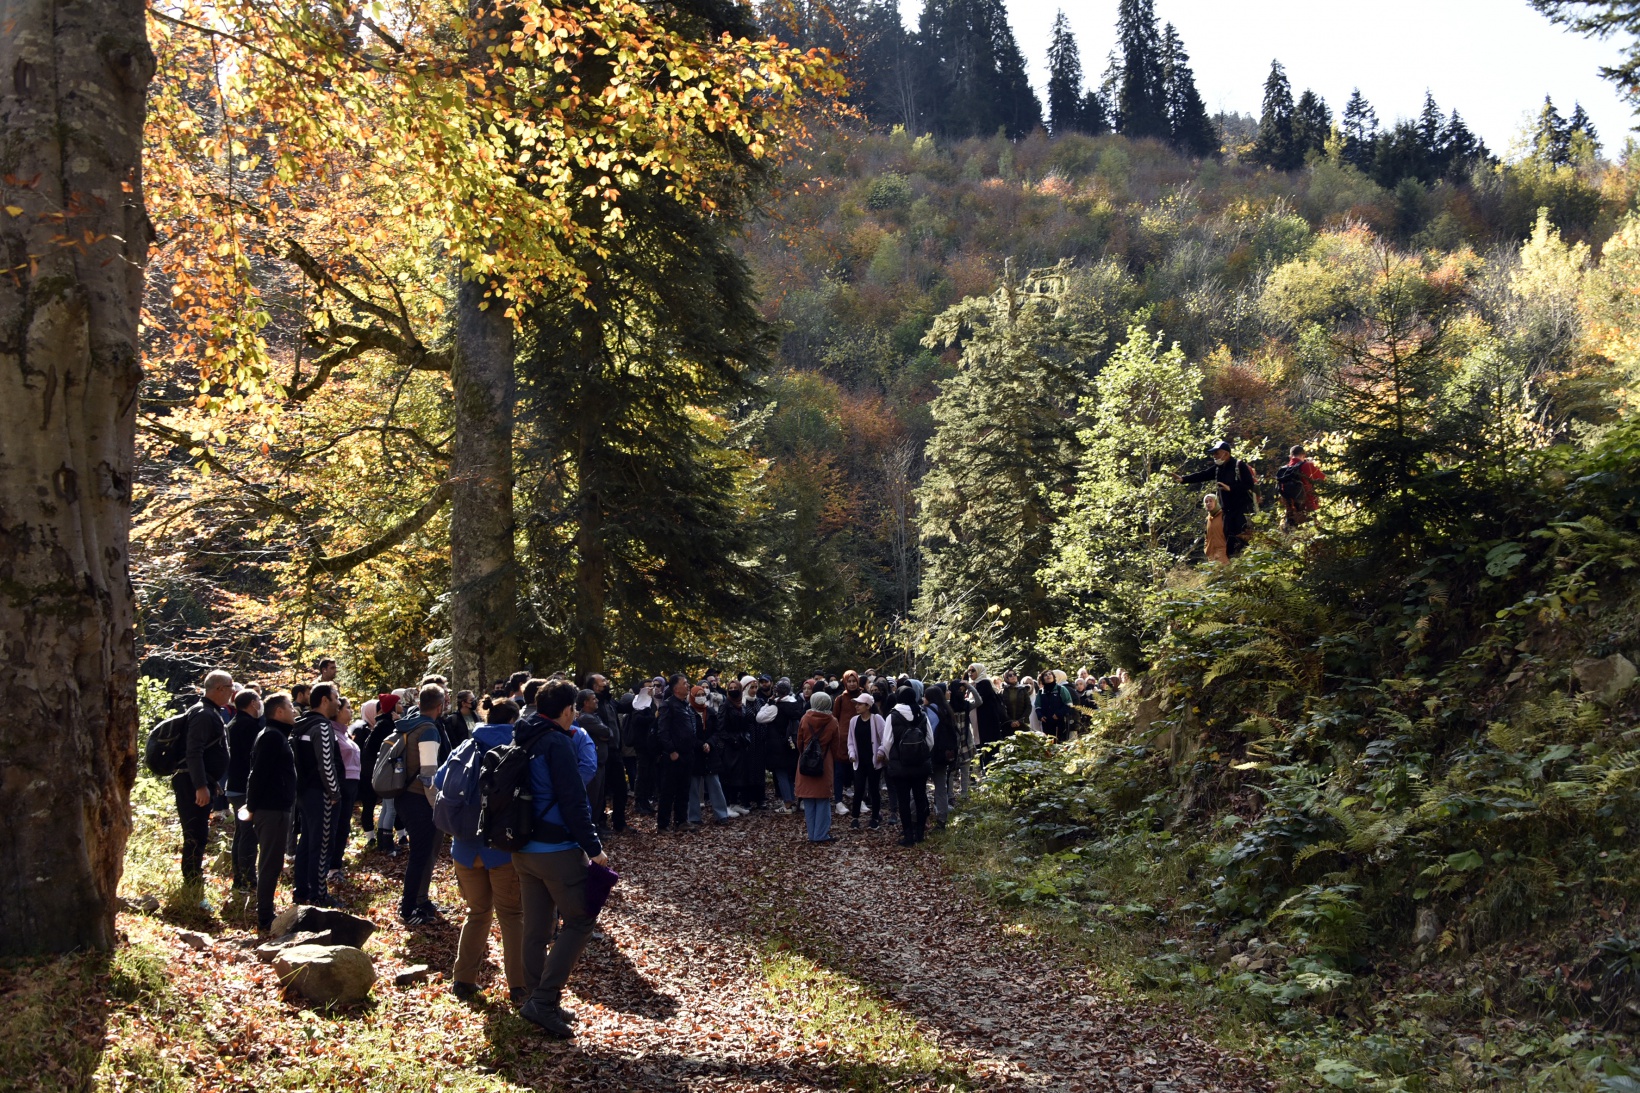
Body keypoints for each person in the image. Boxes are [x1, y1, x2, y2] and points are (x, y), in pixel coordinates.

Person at [512, 682, 610, 1039]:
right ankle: (544, 998)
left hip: (523, 848)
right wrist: (594, 847)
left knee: (536, 928)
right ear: (568, 710)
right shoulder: (558, 742)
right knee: (581, 920)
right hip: (556, 849)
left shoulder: (522, 734)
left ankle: (538, 999)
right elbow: (574, 801)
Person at [436, 699, 527, 1005]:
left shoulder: (464, 747)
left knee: (477, 913)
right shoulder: (517, 750)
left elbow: (439, 781)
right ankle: (519, 986)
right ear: (513, 720)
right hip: (502, 849)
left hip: (464, 848)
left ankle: (463, 980)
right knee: (512, 915)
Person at [174, 669, 235, 889]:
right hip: (191, 783)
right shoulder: (202, 713)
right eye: (230, 687)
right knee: (195, 834)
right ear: (219, 688)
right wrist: (200, 785)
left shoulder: (211, 711)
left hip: (201, 782)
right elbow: (194, 751)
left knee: (199, 833)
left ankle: (194, 880)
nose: (233, 691)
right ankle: (192, 885)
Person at [244, 692, 298, 933]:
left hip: (277, 808)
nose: (294, 710)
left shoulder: (277, 736)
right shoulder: (271, 737)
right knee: (270, 864)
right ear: (278, 712)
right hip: (271, 810)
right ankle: (265, 917)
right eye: (290, 707)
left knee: (272, 863)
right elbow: (257, 775)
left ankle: (266, 913)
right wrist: (252, 808)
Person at [397, 684, 450, 925]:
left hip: (404, 795)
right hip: (420, 800)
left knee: (419, 854)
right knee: (419, 856)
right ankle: (409, 910)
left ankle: (417, 901)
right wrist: (436, 804)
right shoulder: (428, 730)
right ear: (439, 706)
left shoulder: (409, 724)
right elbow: (429, 773)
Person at [291, 682, 343, 906]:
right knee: (322, 844)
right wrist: (334, 792)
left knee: (307, 842)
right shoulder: (321, 726)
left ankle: (301, 890)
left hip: (303, 791)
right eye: (336, 698)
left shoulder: (300, 723)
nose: (338, 703)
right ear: (324, 700)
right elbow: (326, 764)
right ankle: (319, 894)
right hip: (319, 792)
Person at [1171, 440, 1257, 557]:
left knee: (1243, 540)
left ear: (1226, 454)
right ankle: (1233, 568)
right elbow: (1203, 474)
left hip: (1242, 510)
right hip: (1226, 512)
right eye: (1213, 453)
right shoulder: (1218, 468)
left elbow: (1249, 484)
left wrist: (1231, 488)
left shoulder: (1239, 465)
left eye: (1217, 453)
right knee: (1230, 543)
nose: (1214, 456)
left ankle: (1247, 565)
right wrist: (1184, 479)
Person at [883, 686, 934, 846]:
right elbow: (930, 741)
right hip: (920, 765)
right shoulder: (922, 714)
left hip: (900, 766)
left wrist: (893, 757)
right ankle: (920, 833)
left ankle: (908, 836)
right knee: (920, 798)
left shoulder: (893, 716)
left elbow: (887, 742)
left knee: (903, 801)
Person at [224, 688, 263, 890]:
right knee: (248, 834)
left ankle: (239, 877)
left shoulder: (232, 724)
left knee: (240, 833)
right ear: (252, 703)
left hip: (233, 785)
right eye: (258, 700)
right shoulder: (250, 727)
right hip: (245, 787)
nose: (260, 704)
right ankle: (247, 880)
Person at [795, 691, 840, 844]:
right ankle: (821, 834)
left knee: (808, 799)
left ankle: (812, 833)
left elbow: (799, 742)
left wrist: (804, 754)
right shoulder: (832, 721)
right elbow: (835, 746)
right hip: (824, 760)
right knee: (823, 799)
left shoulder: (805, 718)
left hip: (806, 760)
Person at [654, 674, 696, 833]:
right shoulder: (667, 705)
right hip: (673, 756)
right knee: (668, 790)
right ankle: (663, 824)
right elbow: (663, 731)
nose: (687, 685)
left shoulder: (685, 705)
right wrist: (671, 750)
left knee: (684, 789)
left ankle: (681, 820)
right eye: (684, 683)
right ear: (675, 688)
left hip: (687, 754)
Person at [327, 698, 362, 882]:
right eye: (347, 708)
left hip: (351, 784)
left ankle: (335, 863)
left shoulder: (344, 732)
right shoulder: (331, 732)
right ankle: (331, 867)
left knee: (343, 825)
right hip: (342, 784)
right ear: (337, 711)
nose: (350, 711)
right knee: (337, 826)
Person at [574, 689, 616, 838]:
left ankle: (597, 827)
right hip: (593, 764)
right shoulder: (586, 718)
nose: (597, 701)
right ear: (585, 702)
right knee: (592, 798)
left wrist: (606, 734)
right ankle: (591, 831)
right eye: (593, 699)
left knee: (599, 798)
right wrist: (605, 734)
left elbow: (609, 733)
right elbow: (606, 732)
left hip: (601, 762)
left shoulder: (595, 716)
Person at [689, 684, 732, 824]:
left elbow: (717, 731)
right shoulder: (688, 712)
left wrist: (710, 743)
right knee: (694, 787)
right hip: (695, 754)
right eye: (698, 695)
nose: (701, 698)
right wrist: (700, 744)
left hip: (710, 754)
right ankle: (694, 817)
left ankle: (721, 815)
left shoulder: (711, 712)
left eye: (703, 695)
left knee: (715, 785)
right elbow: (688, 734)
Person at [846, 693, 887, 830]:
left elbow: (885, 739)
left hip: (874, 761)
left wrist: (881, 752)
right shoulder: (854, 721)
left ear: (868, 706)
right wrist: (851, 753)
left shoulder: (877, 719)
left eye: (860, 704)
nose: (857, 706)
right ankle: (855, 817)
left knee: (874, 789)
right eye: (856, 704)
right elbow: (850, 741)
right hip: (859, 761)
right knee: (858, 789)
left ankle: (875, 817)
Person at [717, 681, 757, 813]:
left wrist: (746, 738)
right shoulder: (725, 706)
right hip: (729, 747)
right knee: (729, 776)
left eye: (736, 688)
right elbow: (721, 729)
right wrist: (732, 740)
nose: (733, 690)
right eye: (730, 688)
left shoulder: (742, 705)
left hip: (741, 745)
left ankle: (735, 803)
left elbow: (746, 725)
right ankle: (727, 805)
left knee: (740, 776)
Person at [926, 684, 960, 828]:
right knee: (941, 787)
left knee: (922, 787)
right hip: (944, 754)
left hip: (929, 754)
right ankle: (942, 819)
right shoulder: (947, 710)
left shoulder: (926, 711)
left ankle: (922, 817)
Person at [1278, 444, 1325, 528]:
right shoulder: (1308, 465)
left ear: (1290, 456)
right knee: (1313, 531)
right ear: (1303, 455)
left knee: (1294, 533)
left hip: (1291, 508)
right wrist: (1312, 464)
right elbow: (1323, 478)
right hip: (1308, 504)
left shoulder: (1284, 470)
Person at [1034, 670, 1074, 742]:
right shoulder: (1040, 692)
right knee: (1049, 743)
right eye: (1045, 675)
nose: (1048, 676)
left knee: (1061, 742)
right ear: (1043, 679)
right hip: (1046, 722)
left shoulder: (1061, 689)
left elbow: (1069, 704)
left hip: (1060, 721)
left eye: (1050, 674)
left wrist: (1059, 714)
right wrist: (1040, 716)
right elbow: (1037, 706)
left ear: (1053, 677)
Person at [1001, 670, 1031, 736]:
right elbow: (1001, 709)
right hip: (1008, 724)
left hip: (1022, 723)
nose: (1013, 676)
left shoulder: (1023, 689)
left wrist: (1020, 721)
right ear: (1006, 678)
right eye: (1010, 675)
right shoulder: (1002, 691)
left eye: (1014, 674)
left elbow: (1028, 706)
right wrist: (1010, 721)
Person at [1203, 493, 1230, 564]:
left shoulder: (1223, 516)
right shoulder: (1207, 519)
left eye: (1210, 501)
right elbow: (1206, 537)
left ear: (1216, 502)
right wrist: (1206, 550)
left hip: (1224, 554)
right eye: (1206, 502)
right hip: (1211, 556)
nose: (1208, 503)